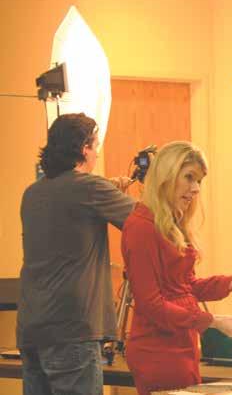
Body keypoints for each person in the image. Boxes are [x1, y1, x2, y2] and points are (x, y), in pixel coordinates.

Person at [121, 141, 232, 395]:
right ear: (166, 176)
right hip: (158, 351)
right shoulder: (141, 227)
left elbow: (187, 287)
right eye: (189, 178)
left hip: (182, 343)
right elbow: (151, 304)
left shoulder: (170, 225)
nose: (196, 188)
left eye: (199, 181)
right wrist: (211, 321)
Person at [17, 113, 136, 395]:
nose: (97, 154)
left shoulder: (32, 193)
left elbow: (68, 214)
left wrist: (107, 190)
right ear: (84, 148)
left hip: (32, 330)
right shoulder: (90, 188)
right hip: (72, 330)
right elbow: (147, 222)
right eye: (95, 146)